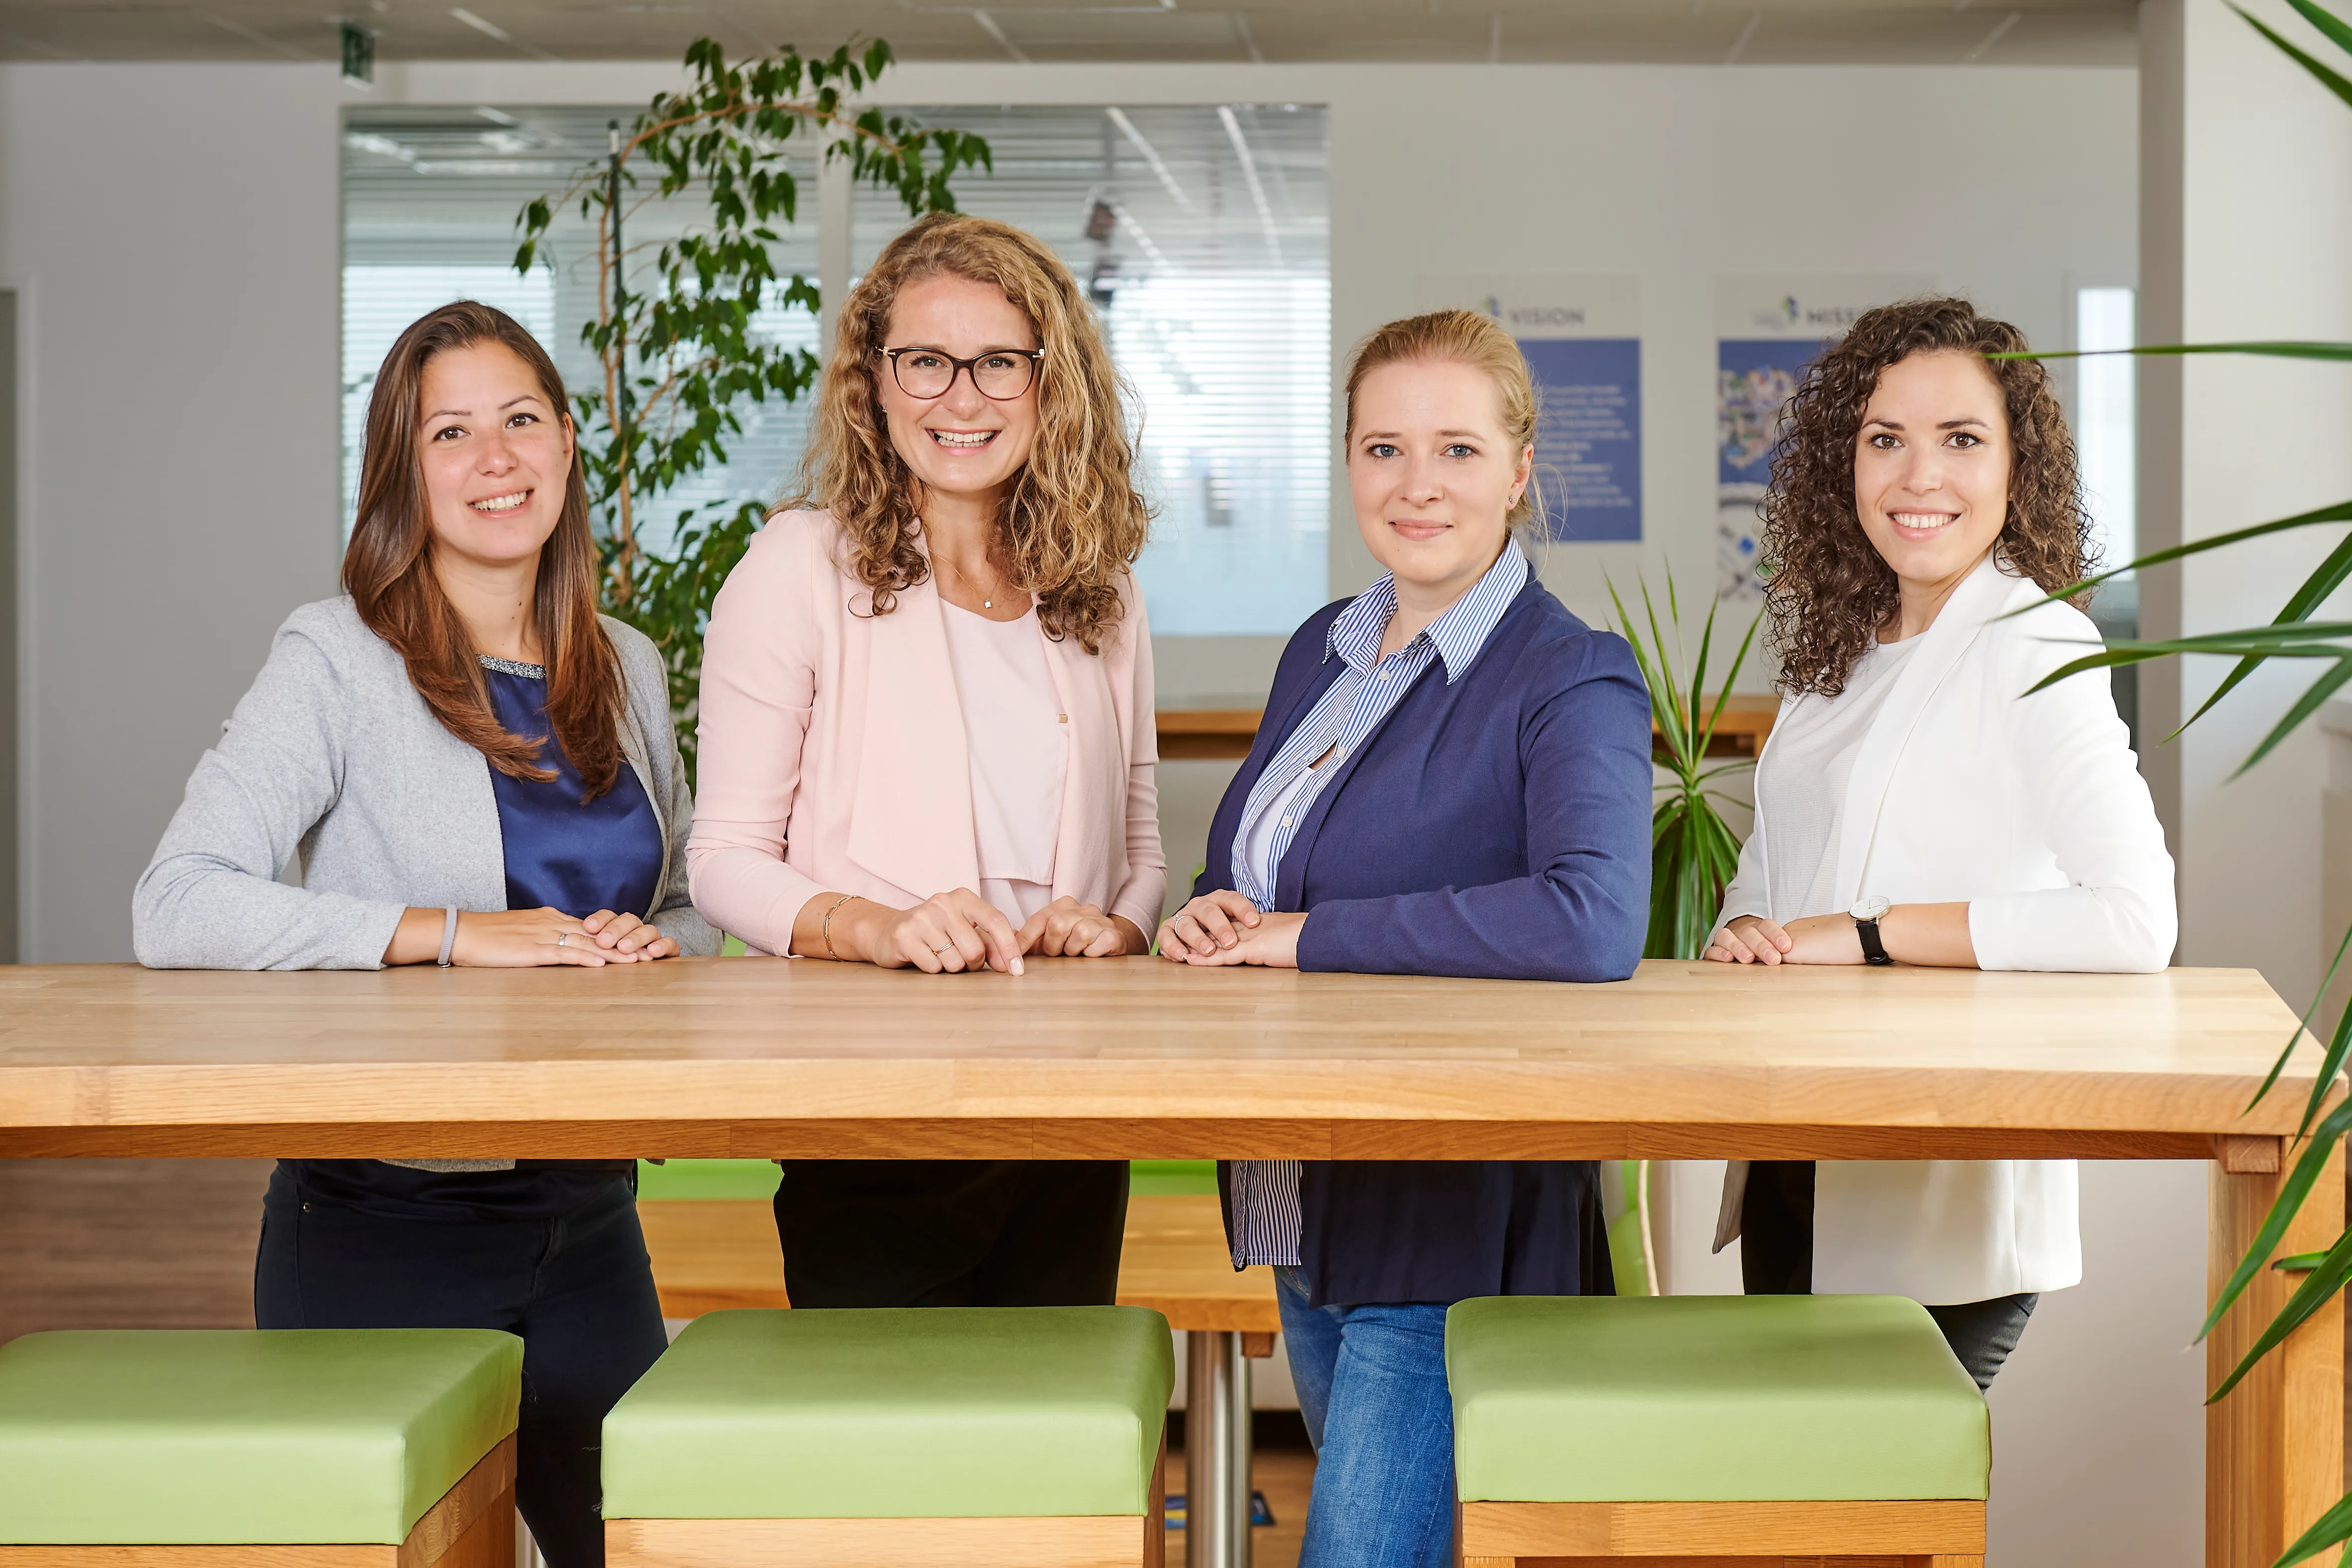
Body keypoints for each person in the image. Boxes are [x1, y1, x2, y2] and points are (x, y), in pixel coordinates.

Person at [132, 300, 717, 1567]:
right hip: (379, 1228)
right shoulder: (337, 657)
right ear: (403, 469)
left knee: (639, 1552)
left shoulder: (627, 663)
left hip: (592, 1225)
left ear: (567, 442)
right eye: (450, 432)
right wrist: (451, 933)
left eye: (520, 420)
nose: (494, 459)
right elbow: (178, 897)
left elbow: (686, 900)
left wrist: (662, 945)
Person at [1158, 309, 1651, 1568]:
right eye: (1384, 449)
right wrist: (1213, 906)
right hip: (1304, 1192)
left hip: (1452, 1216)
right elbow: (1265, 870)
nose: (1416, 484)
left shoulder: (1570, 675)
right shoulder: (1320, 648)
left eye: (1456, 450)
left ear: (1519, 470)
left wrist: (1303, 938)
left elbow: (1593, 920)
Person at [687, 213, 1164, 1309]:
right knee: (886, 1415)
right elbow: (722, 861)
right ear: (876, 382)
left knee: (1061, 1409)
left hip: (1067, 1103)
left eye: (999, 362)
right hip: (872, 1100)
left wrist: (1121, 925)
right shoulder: (798, 567)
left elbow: (1139, 833)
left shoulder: (1099, 582)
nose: (961, 397)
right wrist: (878, 928)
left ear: (1050, 382)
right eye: (925, 362)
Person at [1702, 296, 2177, 1390]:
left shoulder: (2036, 642)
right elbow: (1772, 874)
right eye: (1886, 439)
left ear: (2017, 468)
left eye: (1961, 439)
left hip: (1936, 1188)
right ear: (1847, 465)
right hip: (1795, 1156)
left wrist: (1870, 935)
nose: (1919, 476)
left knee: (1870, 1488)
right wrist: (1748, 930)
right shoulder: (1838, 659)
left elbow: (2133, 918)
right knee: (1787, 1487)